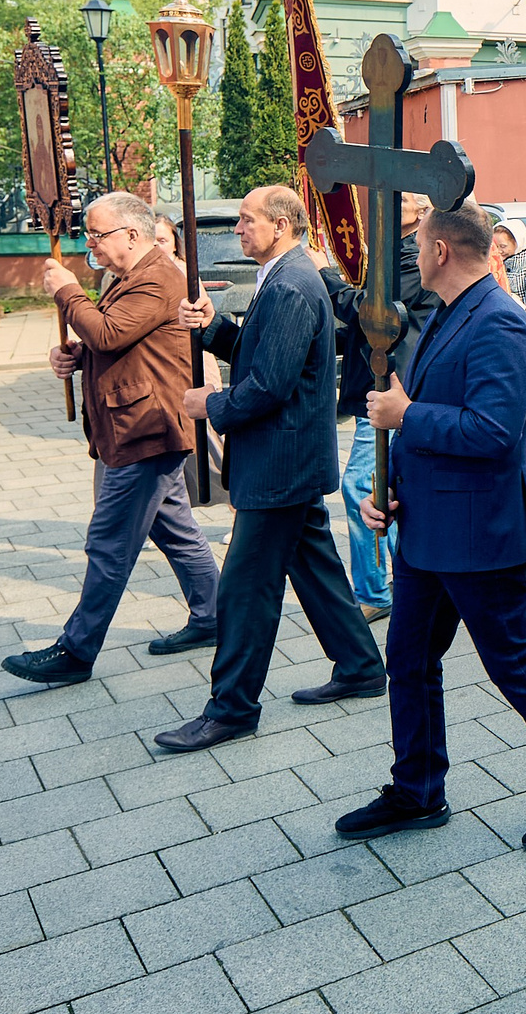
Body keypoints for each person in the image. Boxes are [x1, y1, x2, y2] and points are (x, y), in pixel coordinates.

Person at [344, 198, 526, 851]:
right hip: (428, 529)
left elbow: (494, 435)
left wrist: (404, 416)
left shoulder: (500, 323)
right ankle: (417, 788)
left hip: (479, 534)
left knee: (514, 666)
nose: (412, 255)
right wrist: (390, 493)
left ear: (442, 251)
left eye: (418, 246)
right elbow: (427, 412)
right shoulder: (443, 314)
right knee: (407, 658)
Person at [162, 187, 388, 752]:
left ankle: (232, 708)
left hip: (280, 464)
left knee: (244, 590)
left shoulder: (290, 284)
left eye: (247, 219)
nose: (238, 228)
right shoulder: (281, 276)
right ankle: (361, 666)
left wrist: (210, 405)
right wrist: (214, 328)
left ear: (282, 225)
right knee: (314, 568)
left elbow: (269, 385)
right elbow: (264, 357)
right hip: (289, 460)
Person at [4, 193, 220, 686]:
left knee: (108, 543)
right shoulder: (129, 277)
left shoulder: (161, 276)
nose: (90, 244)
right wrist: (77, 357)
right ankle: (213, 616)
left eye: (97, 234)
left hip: (146, 430)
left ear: (132, 234)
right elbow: (117, 343)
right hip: (135, 425)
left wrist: (67, 292)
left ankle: (76, 651)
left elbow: (111, 333)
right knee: (176, 530)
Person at [322, 192, 436, 625]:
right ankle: (406, 581)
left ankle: (375, 588)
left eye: (403, 197)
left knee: (360, 486)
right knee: (385, 491)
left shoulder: (411, 257)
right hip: (378, 385)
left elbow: (373, 311)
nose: (388, 200)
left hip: (395, 388)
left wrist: (327, 276)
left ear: (422, 212)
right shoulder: (386, 254)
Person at [490, 216, 526, 308]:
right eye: (495, 246)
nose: (498, 250)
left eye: (503, 246)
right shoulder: (495, 261)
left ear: (517, 243)